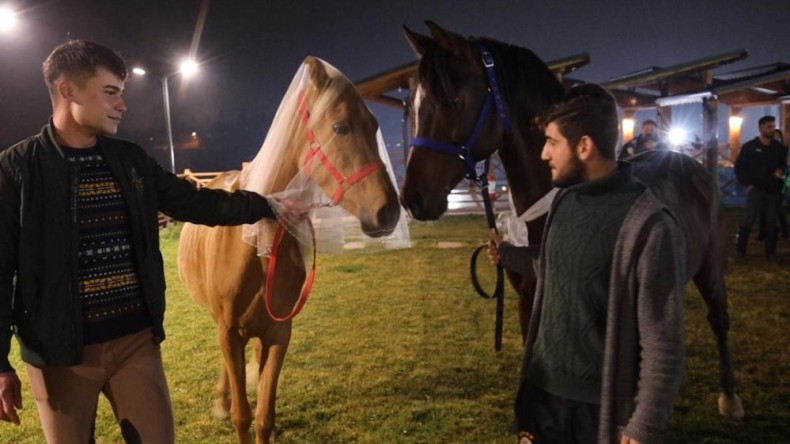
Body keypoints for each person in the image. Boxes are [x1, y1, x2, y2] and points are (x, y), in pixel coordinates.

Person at [0, 40, 308, 442]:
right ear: (67, 90)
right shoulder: (15, 171)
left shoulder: (131, 161)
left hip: (135, 344)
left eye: (121, 94)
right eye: (110, 92)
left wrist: (267, 204)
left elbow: (197, 203)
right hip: (60, 357)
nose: (122, 105)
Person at [489, 84, 686, 444]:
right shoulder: (564, 201)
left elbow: (664, 342)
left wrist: (646, 423)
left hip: (597, 413)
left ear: (584, 146)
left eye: (551, 142)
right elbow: (553, 264)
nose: (543, 154)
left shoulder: (650, 226)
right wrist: (507, 255)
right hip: (541, 396)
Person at [734, 115, 788, 260]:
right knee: (748, 220)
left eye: (773, 126)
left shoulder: (778, 148)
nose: (772, 129)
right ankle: (740, 252)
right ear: (761, 128)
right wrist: (748, 184)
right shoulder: (750, 147)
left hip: (773, 190)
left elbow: (783, 164)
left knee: (772, 222)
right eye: (769, 126)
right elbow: (739, 168)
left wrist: (780, 170)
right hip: (756, 189)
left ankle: (770, 252)